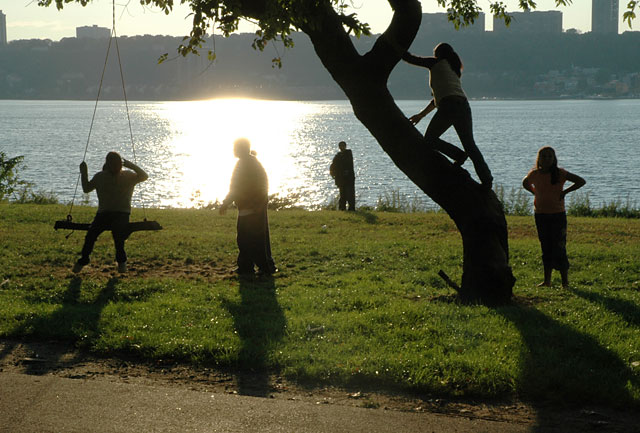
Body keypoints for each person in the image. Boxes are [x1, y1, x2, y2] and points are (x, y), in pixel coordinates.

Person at [402, 42, 493, 187]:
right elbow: (437, 99)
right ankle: (487, 179)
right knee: (470, 145)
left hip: (449, 105)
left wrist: (398, 48)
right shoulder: (453, 70)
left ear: (437, 54)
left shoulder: (435, 63)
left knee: (430, 139)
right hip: (463, 105)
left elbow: (412, 59)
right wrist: (421, 115)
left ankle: (458, 155)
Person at [72, 151, 149, 274]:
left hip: (120, 213)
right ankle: (85, 259)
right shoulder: (102, 176)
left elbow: (145, 176)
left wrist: (130, 165)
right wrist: (84, 173)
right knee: (91, 235)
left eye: (117, 164)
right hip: (106, 213)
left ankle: (121, 262)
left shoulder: (126, 176)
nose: (116, 167)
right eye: (114, 164)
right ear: (108, 164)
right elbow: (86, 189)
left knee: (117, 236)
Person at [522, 146, 585, 288]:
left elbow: (581, 181)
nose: (547, 159)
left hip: (557, 215)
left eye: (550, 156)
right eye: (544, 156)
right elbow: (525, 182)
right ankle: (547, 281)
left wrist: (565, 192)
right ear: (539, 159)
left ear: (554, 159)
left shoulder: (560, 173)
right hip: (541, 215)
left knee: (559, 247)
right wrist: (534, 192)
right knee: (546, 247)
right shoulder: (534, 174)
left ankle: (565, 282)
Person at [219, 138, 277, 276]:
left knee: (252, 239)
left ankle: (264, 267)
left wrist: (226, 203)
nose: (233, 150)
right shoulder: (249, 162)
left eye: (235, 147)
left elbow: (237, 187)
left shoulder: (247, 164)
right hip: (251, 207)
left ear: (241, 149)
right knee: (246, 239)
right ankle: (247, 266)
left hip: (252, 208)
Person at [329, 141, 356, 211]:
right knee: (342, 195)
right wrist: (332, 173)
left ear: (345, 146)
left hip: (348, 178)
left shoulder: (348, 154)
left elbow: (347, 164)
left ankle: (351, 208)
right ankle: (342, 208)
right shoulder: (338, 156)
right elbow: (333, 165)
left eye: (343, 146)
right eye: (340, 146)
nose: (341, 147)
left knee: (350, 194)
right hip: (341, 178)